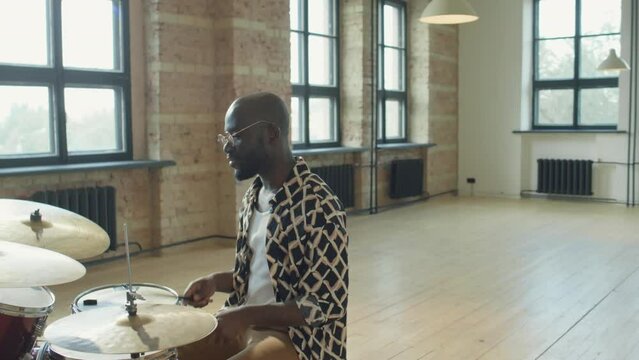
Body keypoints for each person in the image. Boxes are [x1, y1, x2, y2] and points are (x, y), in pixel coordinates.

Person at [178, 92, 349, 360]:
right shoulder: (253, 196)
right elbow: (258, 275)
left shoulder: (319, 206)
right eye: (225, 137)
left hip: (300, 340)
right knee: (175, 350)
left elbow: (325, 305)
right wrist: (214, 281)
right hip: (247, 322)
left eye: (236, 136)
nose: (226, 147)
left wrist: (246, 315)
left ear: (271, 133)